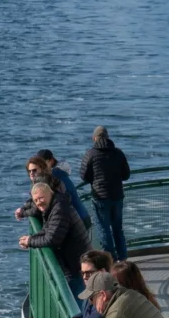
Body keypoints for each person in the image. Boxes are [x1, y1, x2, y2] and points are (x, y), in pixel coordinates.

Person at [18, 181, 90, 299]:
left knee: (78, 297)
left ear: (50, 194)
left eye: (41, 198)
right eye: (36, 200)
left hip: (76, 261)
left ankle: (79, 316)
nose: (39, 202)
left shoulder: (59, 209)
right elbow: (48, 229)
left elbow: (52, 239)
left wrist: (30, 241)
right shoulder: (54, 205)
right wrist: (31, 238)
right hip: (74, 259)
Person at [80, 126, 131, 259]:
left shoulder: (90, 154)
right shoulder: (118, 153)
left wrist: (95, 180)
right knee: (118, 230)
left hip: (100, 197)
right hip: (117, 196)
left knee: (103, 230)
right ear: (108, 137)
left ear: (94, 138)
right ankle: (123, 259)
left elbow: (84, 176)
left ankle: (110, 260)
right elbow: (126, 175)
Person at [36, 148, 91, 229]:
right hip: (82, 216)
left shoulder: (54, 174)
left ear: (51, 161)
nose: (41, 167)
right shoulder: (60, 173)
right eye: (39, 164)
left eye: (43, 163)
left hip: (77, 220)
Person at [66, 249, 113, 318]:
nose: (84, 277)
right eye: (82, 273)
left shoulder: (105, 296)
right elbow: (86, 314)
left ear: (102, 272)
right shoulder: (92, 291)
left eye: (88, 273)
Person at [15, 156, 64, 221]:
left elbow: (37, 210)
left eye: (34, 170)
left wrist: (22, 214)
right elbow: (32, 201)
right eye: (29, 171)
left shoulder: (44, 183)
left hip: (56, 217)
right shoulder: (37, 182)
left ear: (42, 168)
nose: (31, 173)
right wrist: (23, 208)